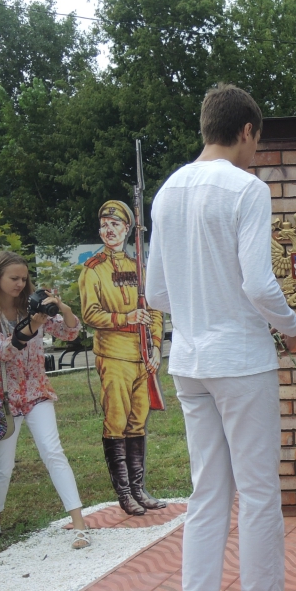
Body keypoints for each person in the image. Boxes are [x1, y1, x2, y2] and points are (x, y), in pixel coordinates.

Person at [146, 83, 296, 591]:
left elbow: (156, 292)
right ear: (246, 131)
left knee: (207, 492)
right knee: (260, 492)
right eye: (256, 141)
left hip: (189, 360)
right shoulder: (248, 189)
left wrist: (200, 301)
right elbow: (259, 283)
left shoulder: (167, 190)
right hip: (240, 360)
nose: (256, 151)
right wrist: (290, 327)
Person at [0, 251, 91, 551]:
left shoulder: (31, 305)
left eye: (24, 278)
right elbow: (2, 350)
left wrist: (60, 307)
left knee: (53, 452)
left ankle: (79, 525)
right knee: (2, 465)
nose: (20, 284)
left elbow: (70, 332)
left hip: (35, 390)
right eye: (14, 278)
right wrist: (32, 326)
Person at [79, 199, 167, 516]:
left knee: (137, 422)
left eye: (115, 225)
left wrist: (155, 346)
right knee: (116, 421)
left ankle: (139, 489)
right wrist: (125, 318)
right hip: (114, 354)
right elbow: (90, 313)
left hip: (142, 355)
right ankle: (125, 493)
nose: (109, 230)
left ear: (127, 229)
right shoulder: (93, 270)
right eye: (104, 225)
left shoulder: (138, 268)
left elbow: (154, 310)